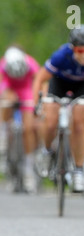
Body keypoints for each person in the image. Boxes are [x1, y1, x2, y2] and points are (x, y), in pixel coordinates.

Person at [32, 24, 84, 193]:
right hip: (58, 84)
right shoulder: (61, 56)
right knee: (50, 120)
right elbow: (39, 79)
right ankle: (46, 150)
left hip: (82, 87)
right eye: (80, 52)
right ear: (73, 49)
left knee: (80, 121)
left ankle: (78, 170)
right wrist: (38, 102)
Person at [0, 46, 40, 192]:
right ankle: (3, 135)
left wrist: (37, 99)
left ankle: (29, 167)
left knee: (28, 128)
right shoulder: (3, 65)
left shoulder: (31, 63)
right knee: (6, 100)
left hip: (26, 90)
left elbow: (38, 81)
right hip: (9, 88)